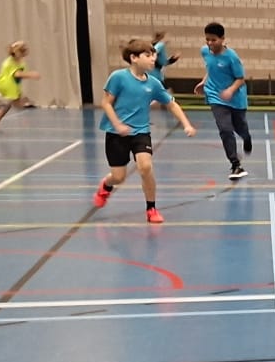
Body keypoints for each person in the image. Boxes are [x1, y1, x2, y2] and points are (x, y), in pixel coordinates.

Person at [93, 40, 195, 222]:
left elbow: (171, 104)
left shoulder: (153, 83)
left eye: (154, 55)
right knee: (118, 177)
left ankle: (151, 209)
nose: (153, 59)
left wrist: (186, 124)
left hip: (141, 132)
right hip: (116, 133)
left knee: (145, 167)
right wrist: (117, 124)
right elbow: (106, 103)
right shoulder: (118, 77)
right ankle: (105, 186)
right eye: (148, 55)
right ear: (134, 58)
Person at [197, 22, 252, 180]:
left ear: (222, 39)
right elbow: (210, 68)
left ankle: (246, 137)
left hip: (235, 97)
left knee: (240, 127)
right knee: (225, 129)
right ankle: (235, 164)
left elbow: (240, 79)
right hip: (215, 95)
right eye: (207, 39)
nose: (210, 43)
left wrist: (230, 90)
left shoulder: (231, 57)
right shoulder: (204, 51)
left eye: (213, 40)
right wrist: (203, 82)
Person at [0, 40, 40, 133]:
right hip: (6, 85)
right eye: (23, 50)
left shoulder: (19, 61)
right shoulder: (9, 63)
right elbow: (17, 74)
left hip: (13, 85)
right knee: (7, 105)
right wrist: (31, 75)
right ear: (17, 52)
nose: (25, 52)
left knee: (13, 104)